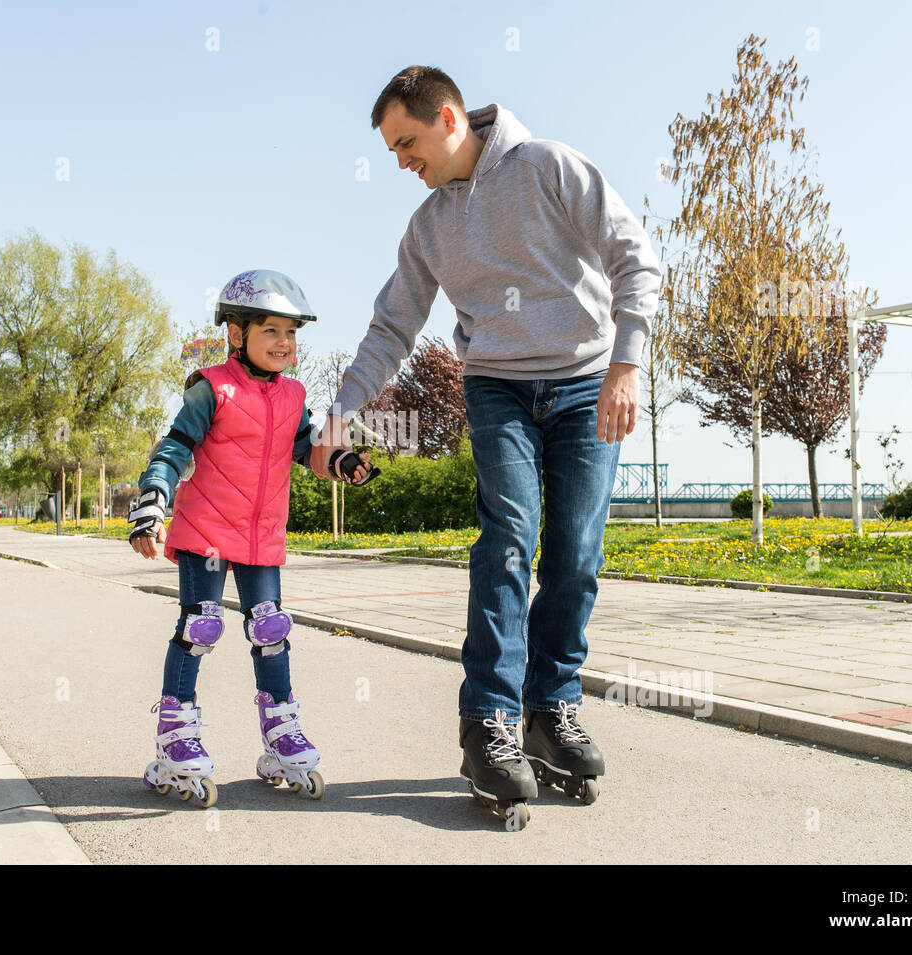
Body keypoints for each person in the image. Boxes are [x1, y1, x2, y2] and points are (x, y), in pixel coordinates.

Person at [312, 66, 660, 830]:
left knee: (576, 552)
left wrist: (628, 363)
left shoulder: (549, 167)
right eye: (393, 151)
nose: (403, 162)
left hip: (586, 380)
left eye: (406, 143)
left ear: (447, 118)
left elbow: (635, 255)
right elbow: (390, 328)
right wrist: (337, 412)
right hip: (497, 384)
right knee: (508, 537)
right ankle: (489, 722)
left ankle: (552, 710)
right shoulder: (430, 225)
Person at [130, 268, 372, 808]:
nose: (285, 344)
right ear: (236, 334)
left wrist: (342, 461)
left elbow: (306, 448)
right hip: (209, 533)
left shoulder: (293, 395)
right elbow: (174, 449)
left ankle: (282, 734)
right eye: (271, 332)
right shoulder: (212, 387)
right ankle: (175, 738)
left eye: (291, 334)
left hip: (261, 537)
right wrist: (152, 503)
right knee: (202, 627)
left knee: (272, 631)